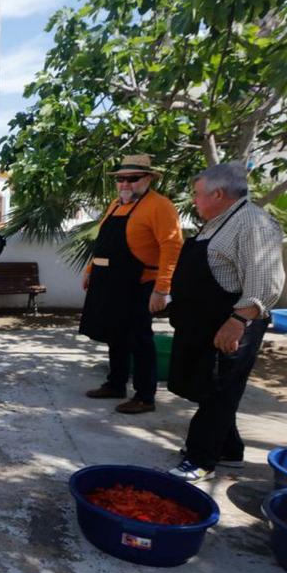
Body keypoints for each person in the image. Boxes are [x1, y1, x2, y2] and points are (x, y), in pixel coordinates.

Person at [167, 163, 284, 482]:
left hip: (232, 323)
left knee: (219, 390)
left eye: (197, 194)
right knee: (210, 386)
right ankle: (230, 450)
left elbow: (266, 283)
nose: (194, 200)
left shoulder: (253, 224)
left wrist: (237, 321)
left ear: (217, 194)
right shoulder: (217, 223)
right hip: (203, 323)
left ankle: (200, 459)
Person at [79, 154, 183, 414]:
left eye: (132, 179)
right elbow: (104, 242)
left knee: (139, 338)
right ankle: (115, 383)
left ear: (147, 179)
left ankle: (145, 396)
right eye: (121, 179)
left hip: (141, 282)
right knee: (115, 334)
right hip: (112, 282)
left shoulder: (160, 206)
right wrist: (90, 269)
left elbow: (172, 246)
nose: (125, 184)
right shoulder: (115, 205)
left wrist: (162, 288)